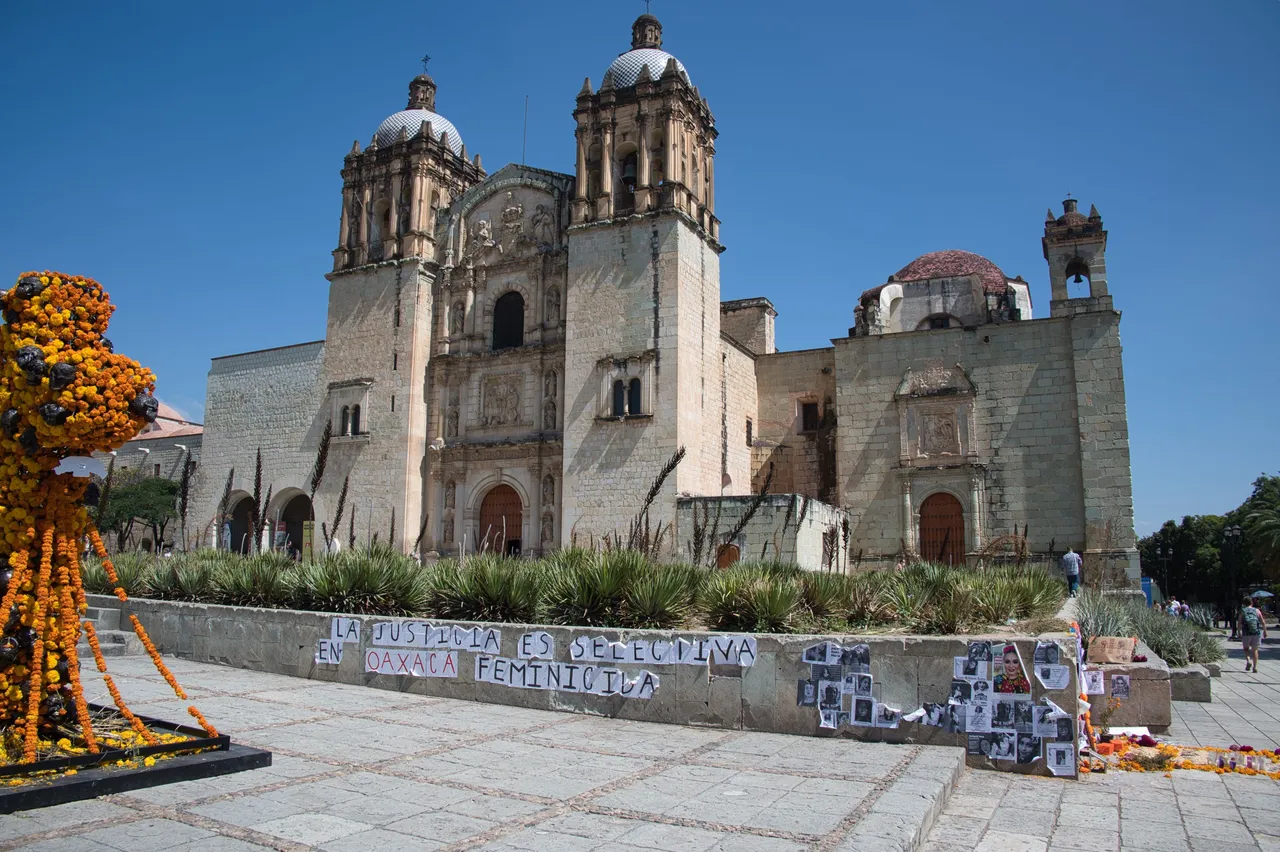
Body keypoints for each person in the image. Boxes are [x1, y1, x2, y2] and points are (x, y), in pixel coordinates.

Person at [1239, 596, 1268, 673]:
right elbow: (1262, 622)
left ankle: (1248, 660)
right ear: (1251, 602)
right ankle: (1255, 667)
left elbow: (1239, 622)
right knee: (1255, 650)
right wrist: (1265, 631)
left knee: (1246, 648)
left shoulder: (1243, 611)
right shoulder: (1257, 610)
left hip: (1246, 632)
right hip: (1256, 632)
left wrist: (1239, 632)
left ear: (1244, 603)